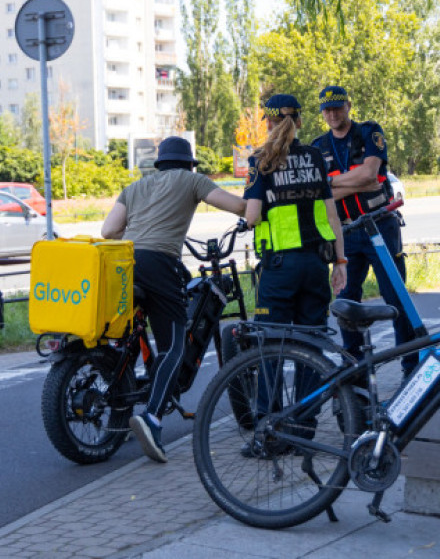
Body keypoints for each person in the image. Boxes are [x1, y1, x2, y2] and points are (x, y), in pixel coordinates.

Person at [102, 137, 246, 463]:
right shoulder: (191, 180)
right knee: (174, 347)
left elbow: (108, 230)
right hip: (160, 263)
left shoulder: (135, 187)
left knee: (133, 326)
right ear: (188, 163)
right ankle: (152, 419)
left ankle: (128, 383)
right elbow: (237, 206)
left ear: (160, 163)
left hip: (125, 263)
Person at [242, 95, 347, 455]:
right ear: (300, 122)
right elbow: (333, 217)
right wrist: (341, 262)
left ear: (268, 123)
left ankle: (268, 436)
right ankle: (303, 432)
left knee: (271, 348)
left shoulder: (261, 160)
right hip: (316, 267)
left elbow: (253, 216)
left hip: (279, 269)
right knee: (310, 348)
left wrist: (245, 212)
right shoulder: (317, 157)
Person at [310, 86, 417, 371]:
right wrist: (345, 183)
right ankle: (355, 370)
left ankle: (411, 365)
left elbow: (371, 174)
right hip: (345, 233)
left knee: (395, 297)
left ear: (348, 106)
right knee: (346, 303)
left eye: (337, 107)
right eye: (327, 109)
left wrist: (331, 183)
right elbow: (320, 197)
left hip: (379, 226)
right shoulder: (317, 147)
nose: (332, 114)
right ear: (322, 112)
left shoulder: (369, 132)